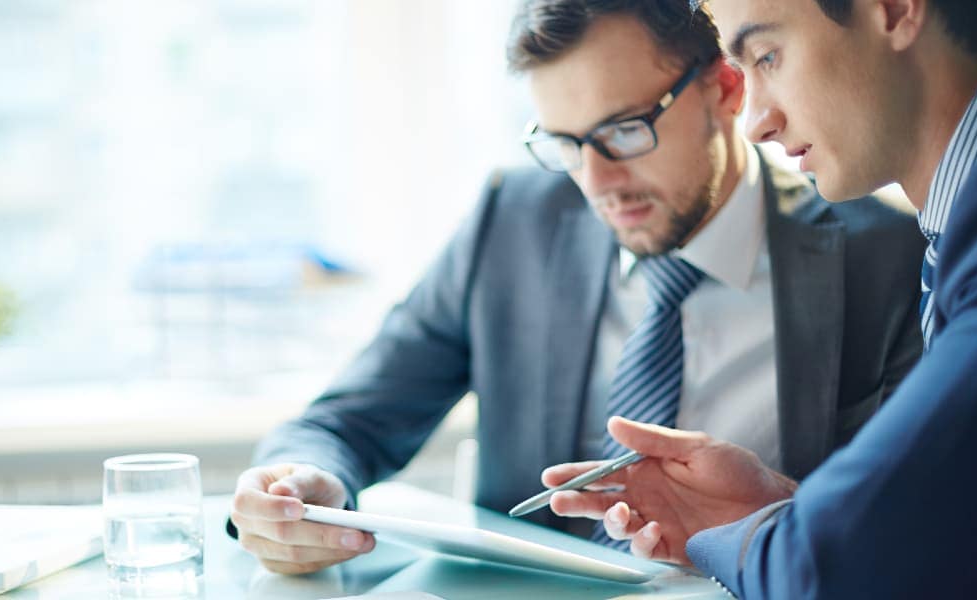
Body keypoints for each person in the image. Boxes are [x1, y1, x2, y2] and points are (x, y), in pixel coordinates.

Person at [227, 0, 925, 576]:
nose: (597, 184)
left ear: (725, 89)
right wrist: (297, 485)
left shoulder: (882, 258)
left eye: (624, 131)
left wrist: (776, 515)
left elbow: (911, 526)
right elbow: (347, 419)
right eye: (564, 143)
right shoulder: (514, 222)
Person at [544, 0, 977, 597]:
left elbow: (834, 566)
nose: (756, 122)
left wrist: (780, 533)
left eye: (767, 55)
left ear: (896, 9)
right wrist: (785, 511)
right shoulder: (974, 217)